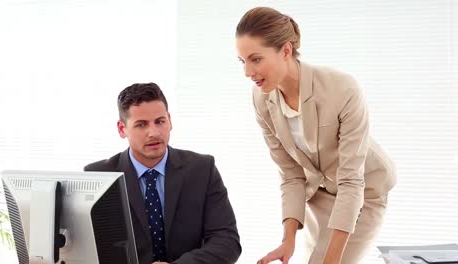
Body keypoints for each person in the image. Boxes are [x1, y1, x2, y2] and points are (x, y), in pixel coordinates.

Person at [235, 7, 396, 264]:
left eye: (255, 59)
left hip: (364, 190)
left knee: (328, 260)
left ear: (286, 50)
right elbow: (291, 174)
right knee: (310, 258)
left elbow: (352, 182)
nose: (247, 72)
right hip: (318, 192)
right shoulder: (262, 99)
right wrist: (287, 241)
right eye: (242, 62)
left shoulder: (341, 88)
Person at [84, 83, 241, 264]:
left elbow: (227, 241)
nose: (154, 133)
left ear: (170, 121)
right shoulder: (99, 177)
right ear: (122, 129)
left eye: (160, 121)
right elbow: (90, 251)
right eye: (141, 125)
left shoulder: (202, 169)